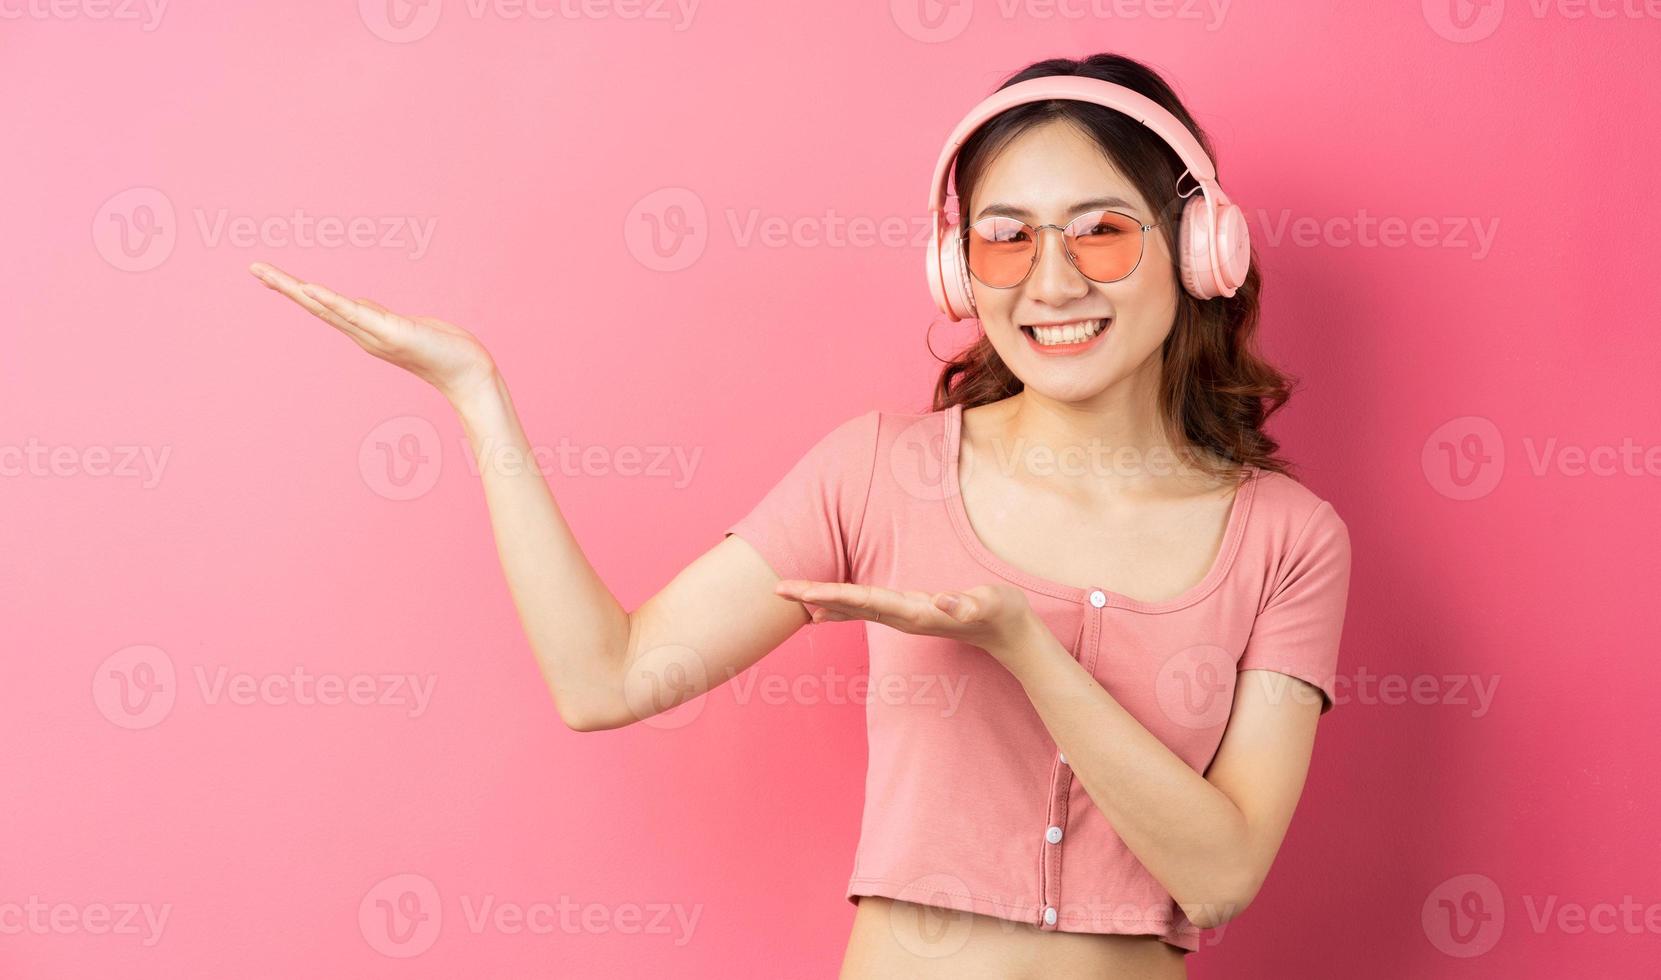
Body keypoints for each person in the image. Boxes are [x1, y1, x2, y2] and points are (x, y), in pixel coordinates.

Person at [248, 51, 1351, 980]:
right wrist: (476, 393)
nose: (1049, 281)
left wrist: (1022, 646)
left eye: (1099, 232)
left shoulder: (1286, 540)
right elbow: (608, 676)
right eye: (1005, 238)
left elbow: (1218, 873)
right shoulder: (875, 472)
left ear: (1200, 246)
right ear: (956, 269)